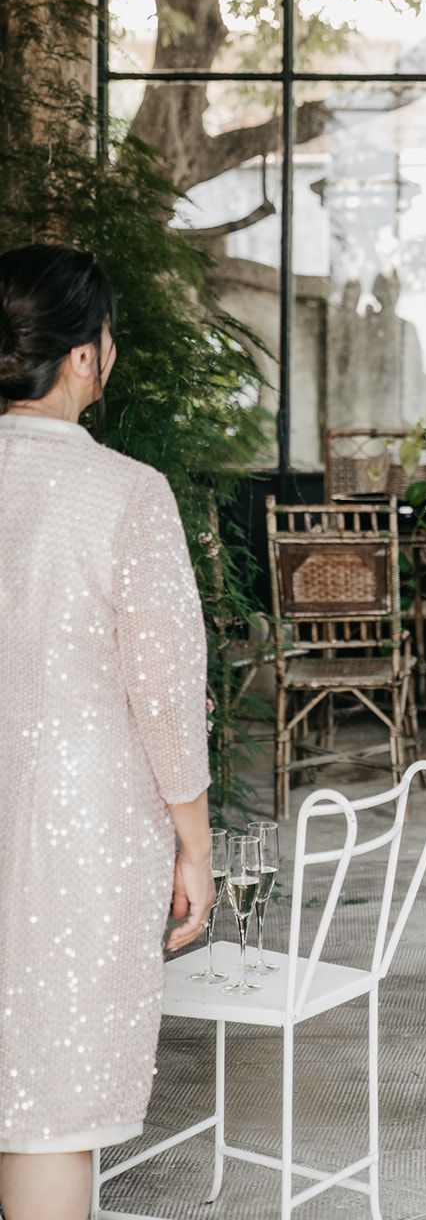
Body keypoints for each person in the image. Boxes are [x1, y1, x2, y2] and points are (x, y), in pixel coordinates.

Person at [0, 244, 213, 1220]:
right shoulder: (126, 492)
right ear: (86, 355)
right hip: (72, 833)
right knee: (48, 1103)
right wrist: (194, 843)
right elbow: (164, 693)